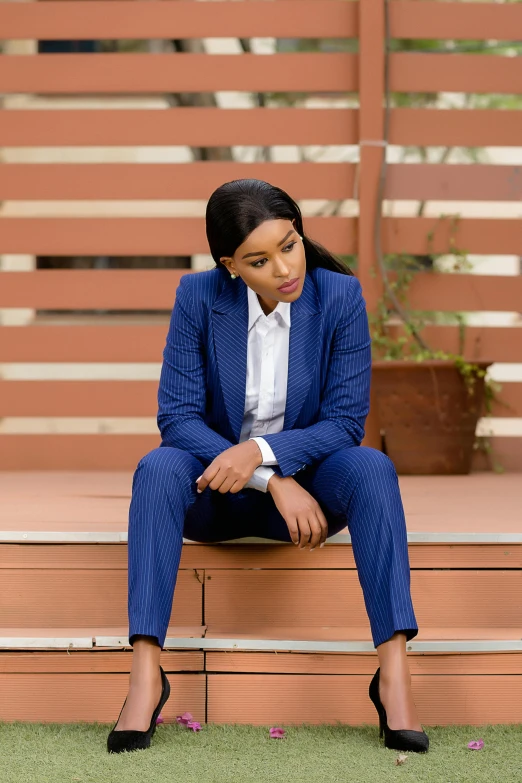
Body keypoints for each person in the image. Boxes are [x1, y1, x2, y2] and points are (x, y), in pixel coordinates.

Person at [107, 179, 429, 754]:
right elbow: (177, 418)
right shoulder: (197, 296)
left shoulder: (339, 298)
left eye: (291, 244)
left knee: (372, 467)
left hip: (310, 497)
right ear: (230, 265)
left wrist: (261, 453)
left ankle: (395, 676)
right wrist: (270, 480)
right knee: (156, 469)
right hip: (216, 491)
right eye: (260, 259)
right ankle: (145, 676)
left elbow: (343, 423)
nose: (285, 268)